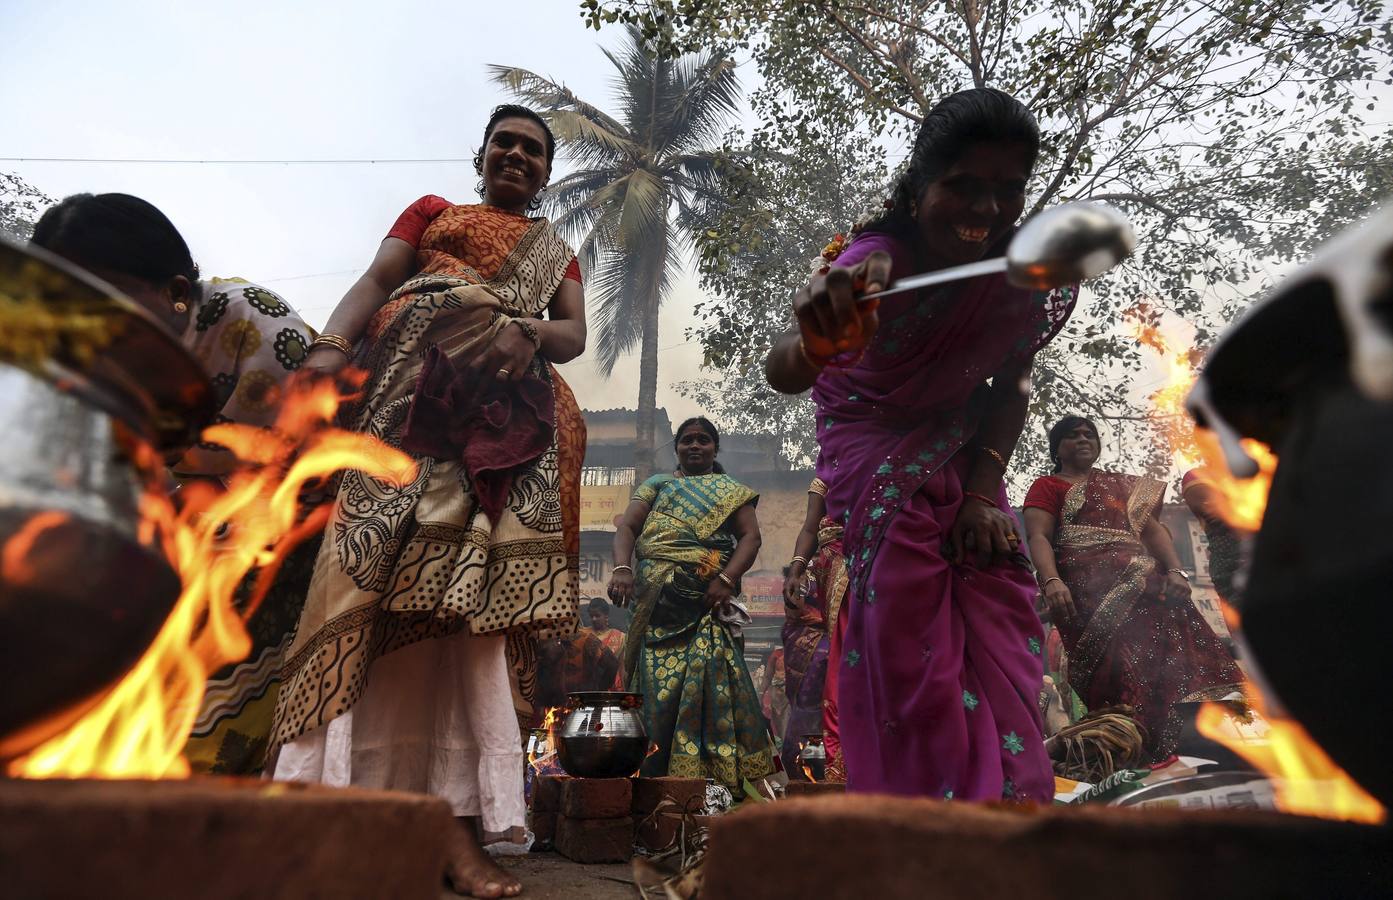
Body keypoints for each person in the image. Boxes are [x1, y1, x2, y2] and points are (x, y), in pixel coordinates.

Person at [269, 104, 587, 899]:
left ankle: (457, 830)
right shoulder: (432, 213)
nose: (516, 155)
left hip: (501, 427)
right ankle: (324, 816)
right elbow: (378, 281)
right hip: (398, 408)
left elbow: (572, 335)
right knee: (363, 582)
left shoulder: (556, 252)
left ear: (546, 173)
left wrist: (523, 330)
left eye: (533, 150)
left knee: (466, 614)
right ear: (480, 156)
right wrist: (327, 349)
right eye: (504, 143)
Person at [764, 88, 1075, 802]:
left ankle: (1010, 809)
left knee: (999, 596)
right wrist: (817, 342)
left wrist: (981, 493)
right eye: (963, 186)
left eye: (1007, 190)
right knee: (911, 639)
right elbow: (784, 371)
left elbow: (1011, 386)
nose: (985, 210)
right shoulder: (875, 258)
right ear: (918, 185)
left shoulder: (1017, 272)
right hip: (872, 449)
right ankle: (924, 820)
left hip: (964, 451)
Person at [30, 192, 318, 776]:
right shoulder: (96, 365)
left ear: (176, 293)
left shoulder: (256, 326)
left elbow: (295, 466)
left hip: (296, 532)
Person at [1023, 416, 1245, 762]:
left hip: (1147, 585)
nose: (1083, 440)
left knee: (1175, 660)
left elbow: (1152, 531)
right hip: (1085, 593)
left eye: (1089, 434)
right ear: (1057, 448)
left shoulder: (1122, 486)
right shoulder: (1047, 486)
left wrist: (1176, 571)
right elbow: (1039, 536)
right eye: (1073, 435)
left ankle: (1196, 746)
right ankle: (1131, 750)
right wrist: (1051, 580)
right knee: (1116, 671)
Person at [606, 417, 775, 791]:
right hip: (654, 613)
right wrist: (622, 568)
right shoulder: (657, 485)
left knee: (708, 687)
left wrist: (726, 580)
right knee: (654, 695)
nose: (694, 446)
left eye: (703, 440)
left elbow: (751, 538)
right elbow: (628, 527)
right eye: (686, 440)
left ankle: (713, 784)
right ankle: (652, 779)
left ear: (715, 448)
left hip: (704, 612)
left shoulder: (732, 491)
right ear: (677, 448)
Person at [780, 478, 847, 780]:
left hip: (873, 576)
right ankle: (811, 772)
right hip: (817, 642)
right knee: (811, 706)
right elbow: (793, 612)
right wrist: (797, 570)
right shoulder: (809, 573)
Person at [1181, 466, 1251, 608]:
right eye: (1197, 506)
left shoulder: (1249, 527)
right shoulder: (1218, 545)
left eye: (1209, 499)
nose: (1206, 508)